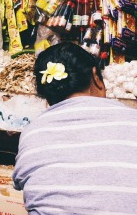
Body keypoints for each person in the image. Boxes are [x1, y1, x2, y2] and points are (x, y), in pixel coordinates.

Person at [13, 42, 137, 213]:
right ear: (96, 77)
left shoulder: (33, 131)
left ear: (47, 97)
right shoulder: (133, 120)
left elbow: (21, 183)